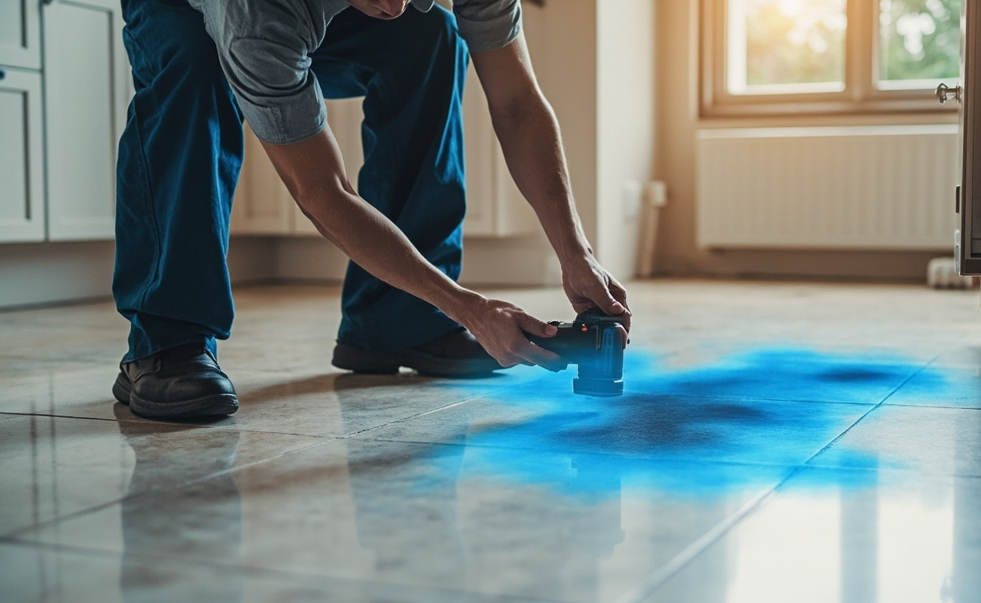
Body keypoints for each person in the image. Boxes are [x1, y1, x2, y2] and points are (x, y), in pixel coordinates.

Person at [110, 0, 631, 420]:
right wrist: (467, 306)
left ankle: (399, 323)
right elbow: (322, 189)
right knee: (192, 65)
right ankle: (167, 339)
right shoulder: (258, 18)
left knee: (430, 38)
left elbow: (518, 104)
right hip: (183, 8)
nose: (397, 5)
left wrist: (575, 252)